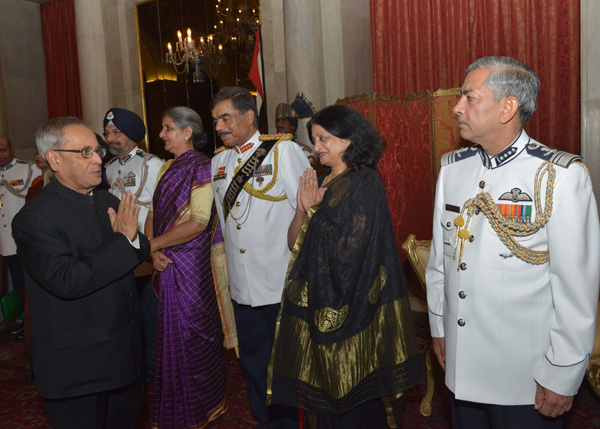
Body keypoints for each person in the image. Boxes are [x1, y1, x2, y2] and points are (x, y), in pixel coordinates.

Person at [426, 56, 600, 428]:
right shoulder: (452, 170)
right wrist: (438, 329)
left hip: (525, 380)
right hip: (461, 367)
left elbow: (576, 290)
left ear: (508, 107)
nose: (456, 108)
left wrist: (562, 373)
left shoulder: (559, 177)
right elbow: (440, 263)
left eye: (469, 98)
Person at [268, 104, 422, 428]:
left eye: (324, 137)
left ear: (349, 139)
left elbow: (347, 254)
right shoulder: (324, 180)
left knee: (351, 403)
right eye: (314, 139)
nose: (317, 146)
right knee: (323, 402)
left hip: (354, 314)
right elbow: (295, 243)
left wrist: (314, 212)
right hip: (320, 304)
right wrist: (301, 209)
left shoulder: (364, 182)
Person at [12, 117, 150, 428]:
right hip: (78, 370)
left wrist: (128, 241)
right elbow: (66, 280)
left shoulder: (106, 199)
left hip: (125, 359)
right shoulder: (33, 219)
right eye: (85, 152)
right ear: (55, 160)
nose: (99, 158)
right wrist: (122, 242)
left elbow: (140, 247)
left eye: (97, 150)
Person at [211, 86, 310, 428]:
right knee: (253, 363)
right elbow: (226, 224)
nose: (219, 126)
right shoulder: (218, 162)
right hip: (242, 284)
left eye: (226, 118)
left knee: (284, 365)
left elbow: (307, 213)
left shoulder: (283, 151)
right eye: (216, 120)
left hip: (279, 280)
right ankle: (262, 420)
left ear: (249, 116)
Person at [146, 106, 231, 428]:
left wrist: (153, 245)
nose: (162, 135)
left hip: (193, 265)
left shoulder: (203, 167)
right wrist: (152, 253)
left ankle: (204, 405)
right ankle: (175, 408)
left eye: (168, 128)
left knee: (196, 333)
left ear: (187, 132)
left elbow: (198, 223)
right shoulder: (165, 167)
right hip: (166, 259)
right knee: (169, 335)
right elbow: (153, 214)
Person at [103, 107, 164, 383]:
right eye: (107, 133)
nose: (110, 138)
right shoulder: (108, 167)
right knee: (127, 314)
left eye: (116, 132)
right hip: (118, 252)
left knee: (151, 314)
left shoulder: (152, 164)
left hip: (145, 250)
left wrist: (154, 249)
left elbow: (161, 210)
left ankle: (156, 370)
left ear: (133, 134)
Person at [0, 135, 40, 338]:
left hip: (27, 241)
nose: (0, 155)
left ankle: (35, 323)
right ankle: (25, 322)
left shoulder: (29, 169)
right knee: (18, 283)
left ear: (13, 149)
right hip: (6, 242)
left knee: (32, 284)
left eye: (3, 150)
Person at [275, 93, 323, 174]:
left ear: (293, 125)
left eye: (284, 120)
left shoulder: (304, 149)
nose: (279, 124)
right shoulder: (270, 147)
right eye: (277, 121)